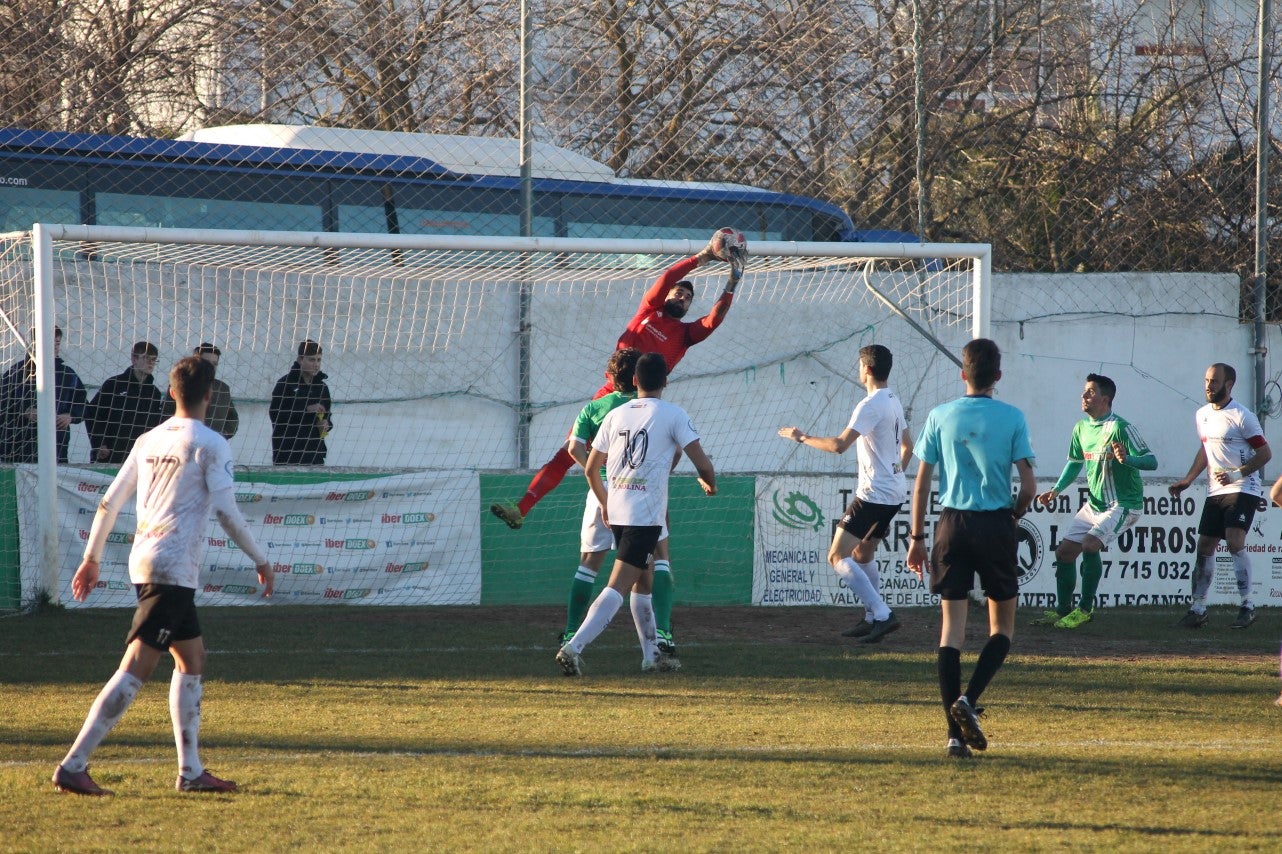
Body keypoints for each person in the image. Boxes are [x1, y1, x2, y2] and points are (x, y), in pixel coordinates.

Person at [52, 356, 273, 796]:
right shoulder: (211, 443)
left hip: (147, 560)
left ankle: (190, 771)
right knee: (137, 663)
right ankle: (73, 764)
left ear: (172, 392)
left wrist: (92, 558)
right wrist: (261, 559)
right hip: (172, 566)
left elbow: (109, 502)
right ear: (209, 395)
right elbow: (226, 511)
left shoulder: (148, 439)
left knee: (192, 658)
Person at [491, 228, 744, 530]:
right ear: (667, 295)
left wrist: (733, 280)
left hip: (641, 403)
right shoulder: (649, 309)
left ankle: (642, 507)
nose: (683, 297)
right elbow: (666, 278)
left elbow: (714, 320)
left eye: (688, 298)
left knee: (659, 456)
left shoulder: (685, 335)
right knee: (569, 450)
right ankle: (522, 508)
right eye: (679, 292)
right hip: (609, 393)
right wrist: (701, 257)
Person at [906, 339, 1036, 759]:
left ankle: (953, 737)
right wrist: (1013, 516)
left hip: (951, 525)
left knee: (951, 631)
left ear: (962, 374)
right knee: (1002, 630)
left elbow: (921, 484)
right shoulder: (1012, 417)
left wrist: (917, 539)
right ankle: (969, 698)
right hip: (995, 523)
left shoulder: (940, 415)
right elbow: (1029, 487)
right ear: (998, 376)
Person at [556, 352, 716, 676]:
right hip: (644, 514)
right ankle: (573, 647)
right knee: (617, 585)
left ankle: (651, 656)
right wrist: (710, 484)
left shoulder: (615, 415)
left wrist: (605, 503)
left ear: (634, 381)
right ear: (666, 381)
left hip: (618, 509)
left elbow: (590, 468)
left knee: (643, 582)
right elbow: (702, 463)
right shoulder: (673, 414)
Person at [777, 344, 912, 643]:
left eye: (859, 365)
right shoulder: (893, 399)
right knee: (862, 554)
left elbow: (839, 445)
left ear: (866, 369)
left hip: (874, 495)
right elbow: (908, 447)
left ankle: (883, 614)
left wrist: (802, 437)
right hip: (893, 493)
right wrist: (895, 475)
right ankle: (872, 618)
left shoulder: (870, 404)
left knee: (836, 556)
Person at [1033, 374, 1156, 629]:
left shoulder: (1121, 427)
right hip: (1095, 504)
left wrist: (1128, 459)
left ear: (1105, 399)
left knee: (1090, 545)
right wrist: (1056, 490)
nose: (1083, 396)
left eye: (1090, 392)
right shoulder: (1081, 428)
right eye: (1084, 391)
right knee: (1064, 553)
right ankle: (1062, 611)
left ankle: (1085, 609)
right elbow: (1074, 463)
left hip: (1124, 503)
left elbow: (1151, 461)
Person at [1168, 363, 1271, 629]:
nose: (1208, 386)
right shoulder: (1202, 414)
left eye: (1214, 381)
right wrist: (1188, 479)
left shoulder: (1242, 416)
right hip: (1216, 490)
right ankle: (1198, 608)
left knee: (1234, 541)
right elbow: (1206, 450)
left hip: (1243, 488)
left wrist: (1237, 474)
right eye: (1206, 380)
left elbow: (1265, 454)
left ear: (1229, 384)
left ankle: (1247, 606)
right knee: (1204, 545)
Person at [0, 326, 87, 463]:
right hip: (18, 448)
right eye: (51, 342)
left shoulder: (68, 374)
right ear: (36, 343)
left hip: (56, 448)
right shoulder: (16, 373)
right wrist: (23, 411)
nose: (55, 347)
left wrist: (71, 416)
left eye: (57, 343)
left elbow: (83, 404)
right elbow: (3, 402)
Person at [85, 341, 165, 463]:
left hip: (139, 457)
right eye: (146, 358)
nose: (151, 363)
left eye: (154, 359)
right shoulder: (113, 385)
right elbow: (92, 414)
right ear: (134, 359)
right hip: (110, 455)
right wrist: (99, 444)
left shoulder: (154, 393)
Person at [269, 339, 332, 465]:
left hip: (315, 455)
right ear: (300, 360)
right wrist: (306, 409)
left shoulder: (322, 388)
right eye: (312, 360)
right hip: (288, 455)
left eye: (319, 360)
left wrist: (326, 424)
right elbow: (276, 415)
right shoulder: (285, 384)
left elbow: (327, 416)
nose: (316, 365)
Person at [163, 343, 238, 440]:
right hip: (183, 439)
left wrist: (224, 434)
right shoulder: (181, 385)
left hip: (212, 442)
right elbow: (166, 412)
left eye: (214, 364)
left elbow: (232, 418)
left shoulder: (222, 388)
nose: (211, 367)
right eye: (207, 362)